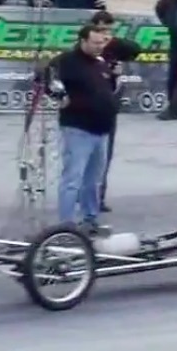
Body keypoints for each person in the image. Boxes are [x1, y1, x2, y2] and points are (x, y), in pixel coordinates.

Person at [54, 24, 117, 231]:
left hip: (102, 129)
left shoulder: (101, 63)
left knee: (93, 180)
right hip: (78, 128)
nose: (100, 47)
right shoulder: (67, 61)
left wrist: (115, 76)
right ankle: (66, 224)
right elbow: (44, 76)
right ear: (83, 41)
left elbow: (107, 88)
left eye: (102, 42)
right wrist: (59, 95)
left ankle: (90, 219)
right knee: (73, 178)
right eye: (95, 43)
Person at [90, 10, 142, 213]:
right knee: (85, 153)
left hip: (109, 103)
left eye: (108, 30)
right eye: (101, 30)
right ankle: (84, 194)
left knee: (105, 153)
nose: (104, 35)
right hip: (88, 104)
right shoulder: (86, 47)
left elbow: (135, 49)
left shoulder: (114, 46)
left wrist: (114, 41)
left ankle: (99, 196)